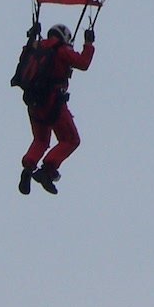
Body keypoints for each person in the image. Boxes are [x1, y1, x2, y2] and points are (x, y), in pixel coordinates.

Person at [17, 21, 95, 195]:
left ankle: (28, 168)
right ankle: (47, 170)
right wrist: (88, 43)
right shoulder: (61, 50)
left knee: (40, 140)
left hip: (33, 102)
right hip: (53, 103)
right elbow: (83, 63)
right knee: (71, 140)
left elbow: (24, 60)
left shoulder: (35, 47)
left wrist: (32, 36)